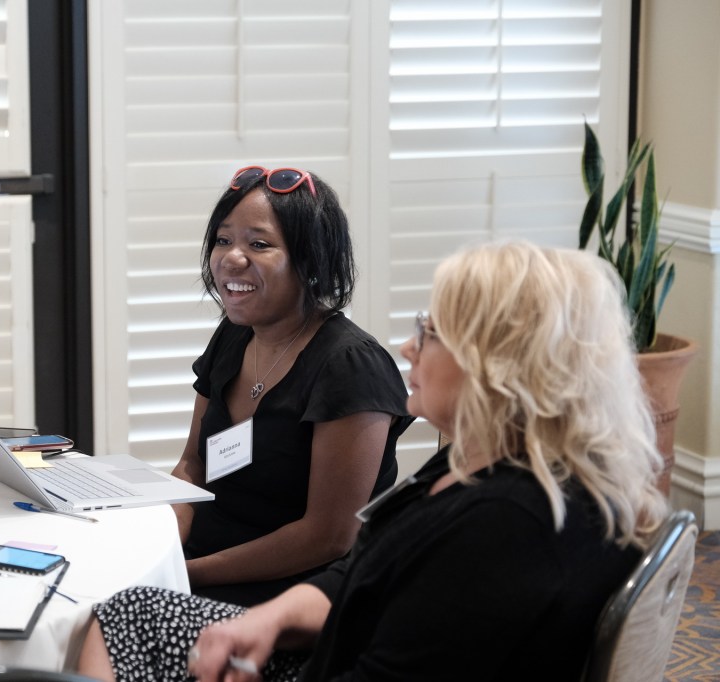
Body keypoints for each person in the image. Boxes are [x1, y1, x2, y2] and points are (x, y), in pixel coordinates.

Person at [76, 241, 670, 682]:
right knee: (130, 612)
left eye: (431, 332)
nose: (410, 347)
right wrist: (271, 619)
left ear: (498, 367)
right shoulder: (486, 464)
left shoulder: (507, 527)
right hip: (333, 645)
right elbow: (361, 569)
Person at [170, 165, 413, 607]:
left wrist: (185, 574)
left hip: (294, 596)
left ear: (311, 259)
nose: (231, 258)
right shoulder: (234, 334)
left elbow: (328, 538)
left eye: (258, 244)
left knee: (106, 619)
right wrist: (157, 544)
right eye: (223, 240)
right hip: (198, 566)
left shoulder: (350, 365)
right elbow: (193, 465)